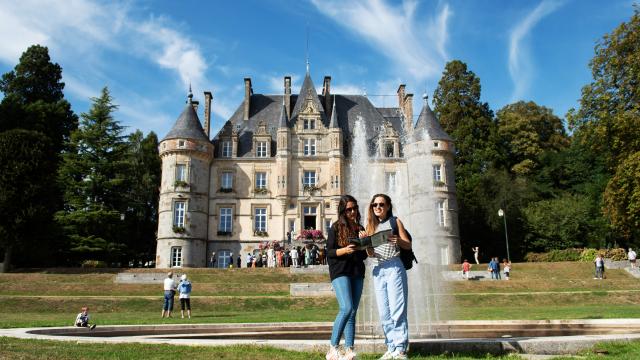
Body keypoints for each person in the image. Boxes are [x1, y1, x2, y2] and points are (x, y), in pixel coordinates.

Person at [364, 194, 411, 360]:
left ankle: (401, 348)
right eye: (374, 205)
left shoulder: (395, 221)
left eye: (381, 204)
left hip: (394, 266)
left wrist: (397, 240)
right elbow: (370, 254)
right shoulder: (370, 226)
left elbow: (408, 244)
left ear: (388, 206)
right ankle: (391, 347)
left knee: (397, 310)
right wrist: (365, 244)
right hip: (379, 269)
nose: (378, 207)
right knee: (384, 312)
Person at [325, 195, 368, 360]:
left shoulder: (360, 228)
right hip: (340, 271)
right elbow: (329, 253)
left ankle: (349, 349)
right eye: (349, 209)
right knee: (346, 308)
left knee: (352, 312)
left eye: (355, 208)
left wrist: (365, 243)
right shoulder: (335, 228)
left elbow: (364, 256)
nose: (352, 212)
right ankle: (332, 347)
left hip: (357, 271)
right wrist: (345, 250)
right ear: (343, 211)